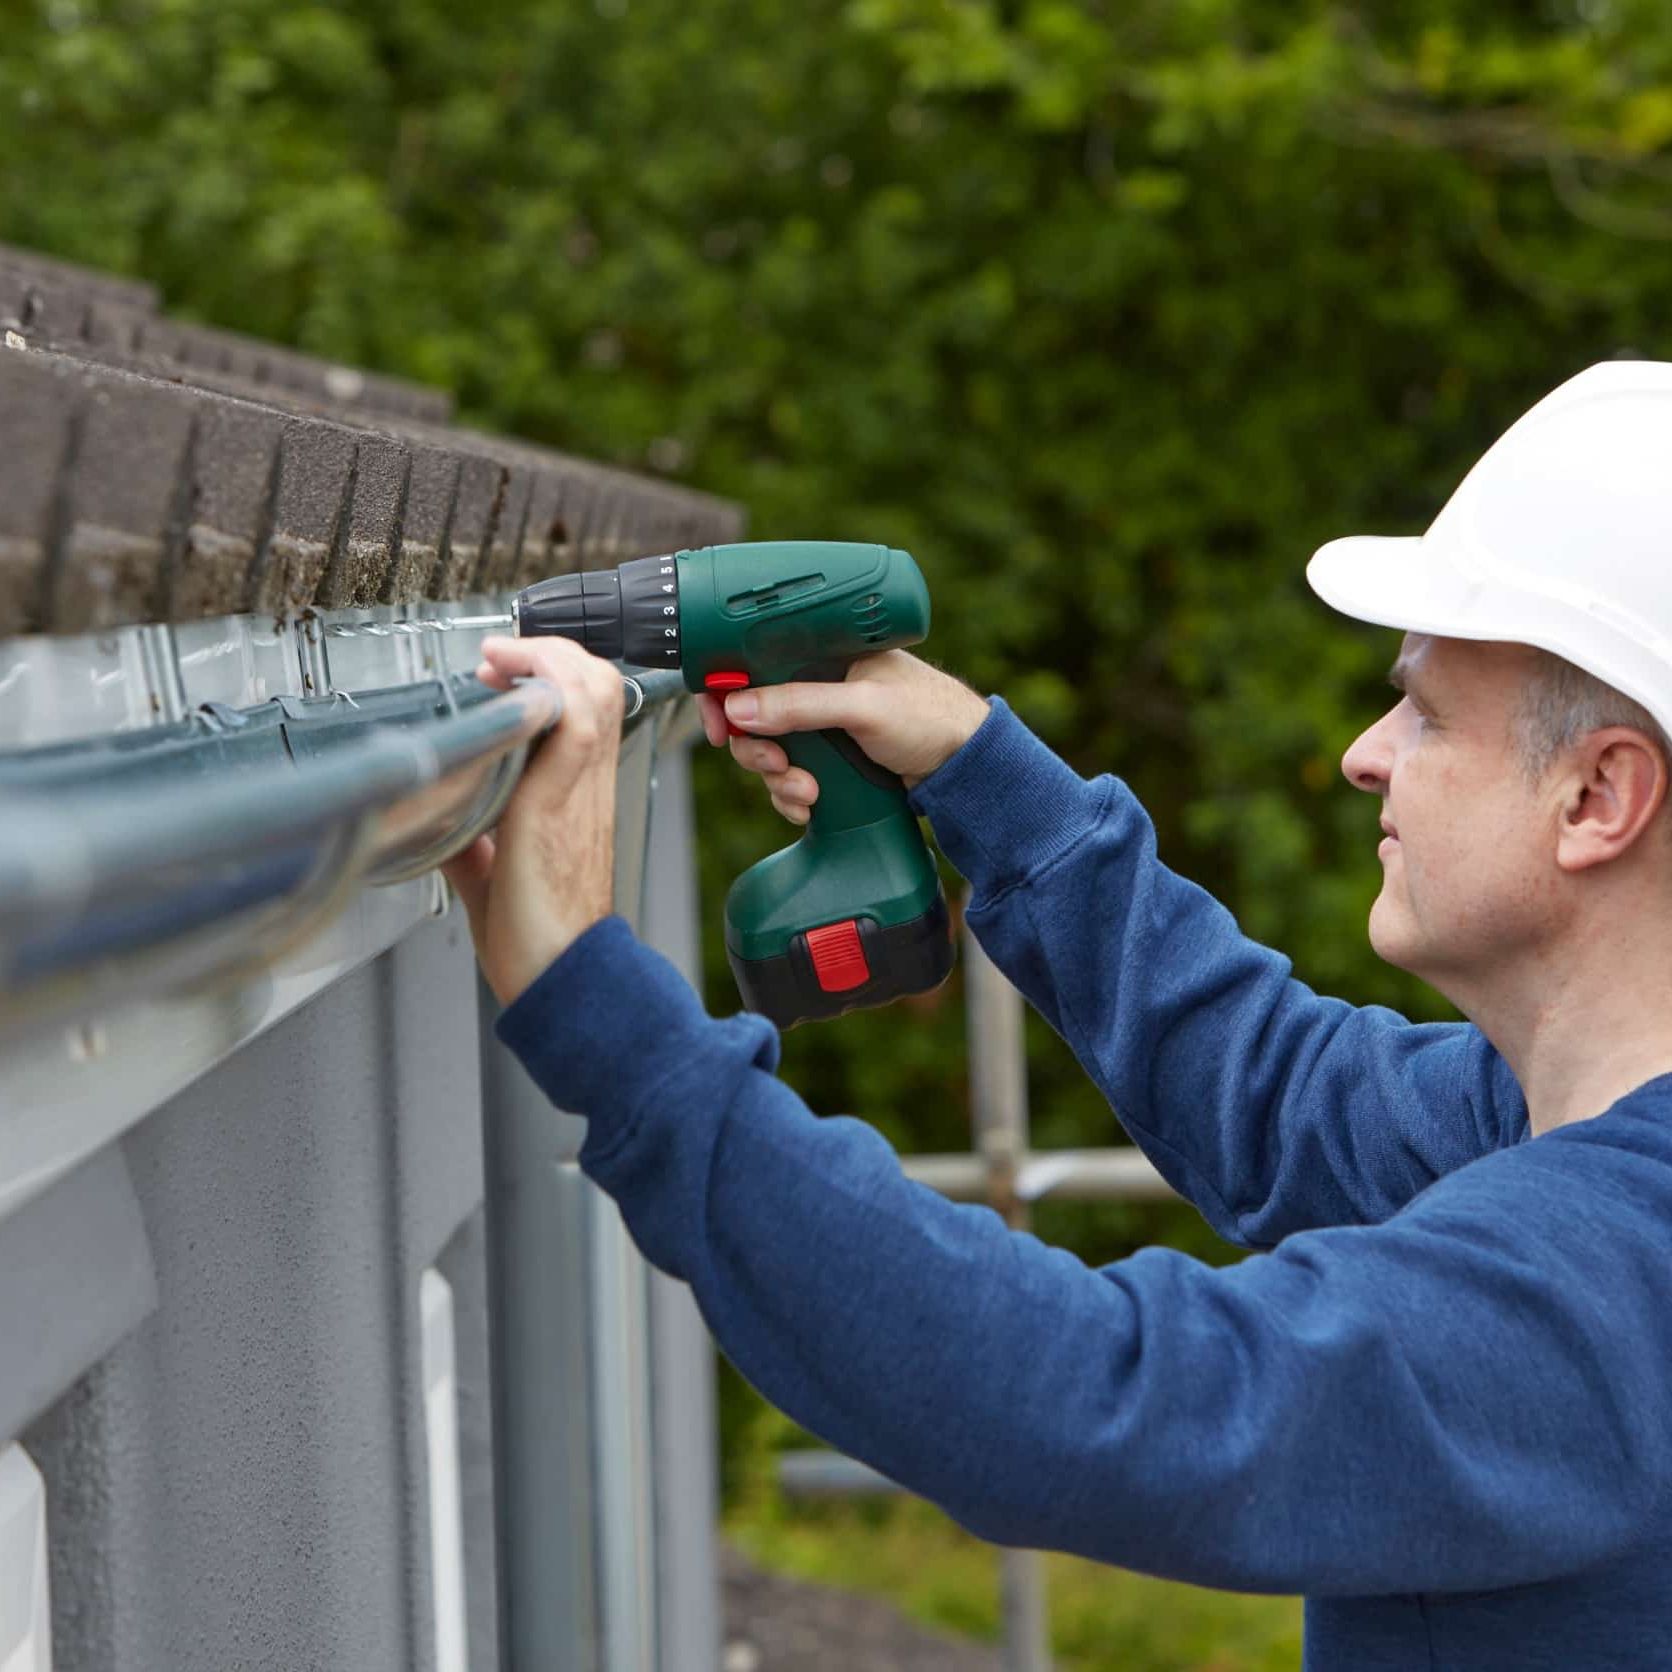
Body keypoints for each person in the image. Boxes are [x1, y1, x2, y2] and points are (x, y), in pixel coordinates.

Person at [444, 361, 1672, 1671]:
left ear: (1599, 796)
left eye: (1427, 712)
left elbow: (1096, 1398)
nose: (1368, 752)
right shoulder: (1538, 1123)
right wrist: (982, 773)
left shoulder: (1609, 1286)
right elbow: (1273, 1096)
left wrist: (598, 1000)